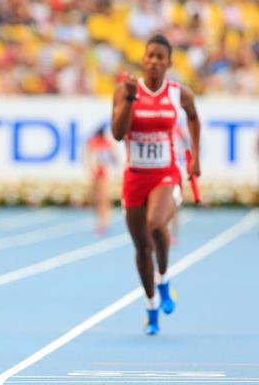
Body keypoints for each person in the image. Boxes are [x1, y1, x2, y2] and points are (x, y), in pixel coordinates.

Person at [111, 34, 201, 336]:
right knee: (141, 247)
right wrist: (131, 99)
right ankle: (151, 306)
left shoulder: (179, 93)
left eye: (160, 57)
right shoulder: (125, 90)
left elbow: (193, 118)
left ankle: (164, 279)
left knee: (155, 223)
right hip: (134, 177)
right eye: (149, 55)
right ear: (143, 59)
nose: (154, 61)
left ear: (169, 63)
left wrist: (194, 157)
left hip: (166, 173)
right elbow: (117, 133)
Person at [84, 124, 118, 235]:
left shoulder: (107, 144)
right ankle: (100, 221)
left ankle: (104, 222)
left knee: (103, 198)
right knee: (97, 199)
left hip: (104, 172)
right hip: (97, 172)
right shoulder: (94, 143)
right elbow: (88, 157)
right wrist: (91, 170)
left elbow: (114, 158)